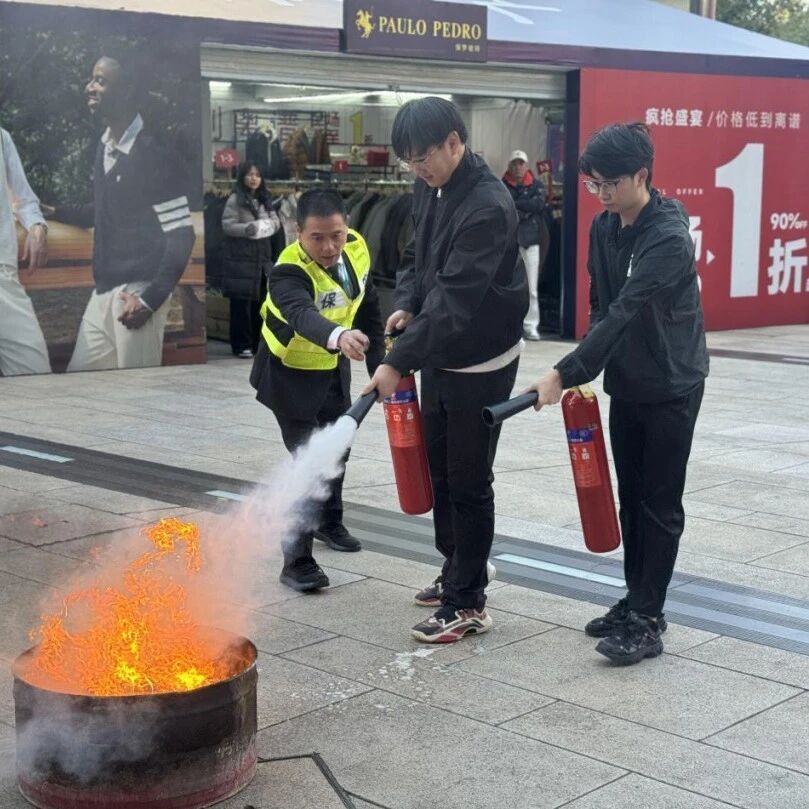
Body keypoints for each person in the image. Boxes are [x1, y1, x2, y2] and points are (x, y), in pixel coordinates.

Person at [526, 122, 708, 665]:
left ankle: (649, 619)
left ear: (641, 175)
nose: (601, 193)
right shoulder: (603, 226)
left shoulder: (667, 236)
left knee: (659, 502)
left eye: (610, 183)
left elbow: (628, 307)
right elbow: (600, 304)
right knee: (631, 496)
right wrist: (586, 366)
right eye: (593, 183)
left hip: (672, 382)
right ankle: (636, 599)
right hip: (628, 378)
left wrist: (563, 373)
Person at [362, 97, 528, 644]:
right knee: (438, 469)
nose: (417, 169)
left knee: (468, 476)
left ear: (455, 142)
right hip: (440, 349)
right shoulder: (429, 185)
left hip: (482, 358)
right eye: (409, 161)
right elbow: (416, 256)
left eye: (424, 157)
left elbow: (457, 298)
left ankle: (467, 601)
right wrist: (406, 303)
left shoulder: (488, 205)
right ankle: (459, 566)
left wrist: (396, 361)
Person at [250, 189, 384, 592]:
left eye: (336, 235)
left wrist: (380, 367)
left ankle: (329, 521)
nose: (329, 247)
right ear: (298, 233)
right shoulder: (287, 271)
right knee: (309, 462)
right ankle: (297, 563)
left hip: (331, 368)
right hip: (288, 374)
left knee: (338, 448)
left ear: (347, 228)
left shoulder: (356, 248)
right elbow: (301, 313)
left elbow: (367, 302)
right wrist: (339, 336)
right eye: (317, 238)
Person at [52, 52, 195, 371]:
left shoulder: (155, 153)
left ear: (127, 90)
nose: (89, 87)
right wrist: (53, 211)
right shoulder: (105, 146)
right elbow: (106, 209)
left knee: (137, 392)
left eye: (100, 81)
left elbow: (182, 234)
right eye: (91, 79)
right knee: (79, 379)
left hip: (138, 295)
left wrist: (149, 300)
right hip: (104, 292)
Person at [0, 127, 51, 376]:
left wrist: (37, 225)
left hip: (4, 279)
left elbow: (24, 200)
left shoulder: (2, 138)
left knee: (36, 374)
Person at [219, 161, 282, 358]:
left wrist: (269, 226)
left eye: (257, 175)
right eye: (250, 174)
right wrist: (248, 229)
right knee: (241, 303)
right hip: (242, 259)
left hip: (262, 259)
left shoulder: (265, 199)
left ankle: (257, 343)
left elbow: (276, 222)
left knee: (260, 302)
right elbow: (227, 225)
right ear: (243, 177)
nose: (254, 178)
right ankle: (241, 344)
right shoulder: (235, 199)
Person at [503, 149, 545, 341]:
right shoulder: (502, 185)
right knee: (508, 287)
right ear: (509, 166)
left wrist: (518, 205)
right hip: (510, 242)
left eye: (521, 164)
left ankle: (531, 326)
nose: (518, 167)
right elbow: (505, 206)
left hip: (531, 241)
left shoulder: (537, 185)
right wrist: (525, 205)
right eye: (515, 164)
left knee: (532, 288)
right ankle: (512, 327)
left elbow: (538, 205)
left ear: (526, 166)